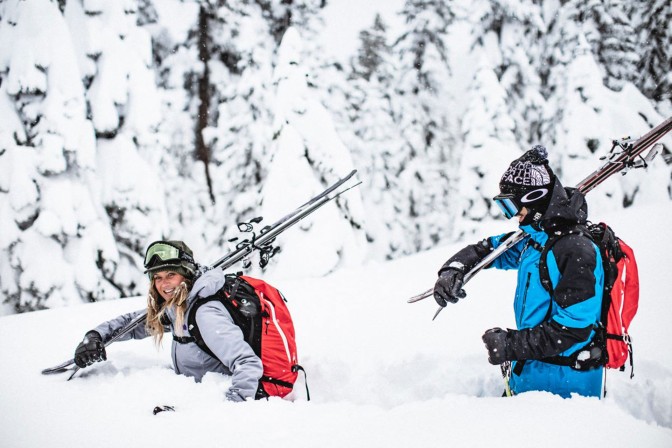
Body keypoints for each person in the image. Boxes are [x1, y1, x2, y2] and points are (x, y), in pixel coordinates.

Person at [433, 146, 604, 398]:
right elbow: (491, 250)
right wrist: (454, 268)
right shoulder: (537, 238)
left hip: (567, 390)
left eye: (511, 206)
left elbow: (574, 329)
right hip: (534, 377)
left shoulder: (575, 250)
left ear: (534, 197)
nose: (510, 216)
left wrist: (512, 345)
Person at [73, 240, 263, 402]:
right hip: (196, 400)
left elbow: (247, 363)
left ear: (186, 275)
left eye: (171, 275)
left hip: (213, 403)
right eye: (158, 277)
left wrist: (231, 409)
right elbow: (133, 324)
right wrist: (96, 336)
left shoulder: (205, 314)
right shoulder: (178, 308)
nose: (164, 284)